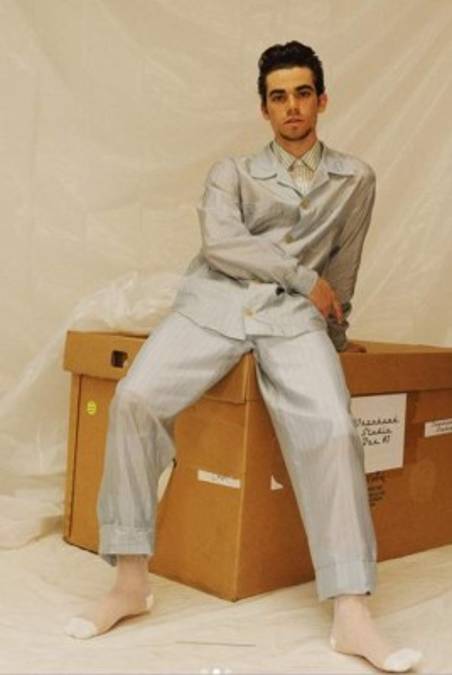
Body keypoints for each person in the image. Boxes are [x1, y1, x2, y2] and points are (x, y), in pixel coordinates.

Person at [64, 41, 422, 672]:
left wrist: (335, 333)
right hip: (214, 305)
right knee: (135, 400)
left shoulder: (355, 179)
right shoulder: (231, 172)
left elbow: (343, 266)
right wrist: (301, 276)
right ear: (264, 109)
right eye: (278, 97)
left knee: (334, 429)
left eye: (303, 93)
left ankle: (352, 613)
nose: (292, 107)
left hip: (293, 321)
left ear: (322, 99)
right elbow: (221, 245)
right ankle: (129, 582)